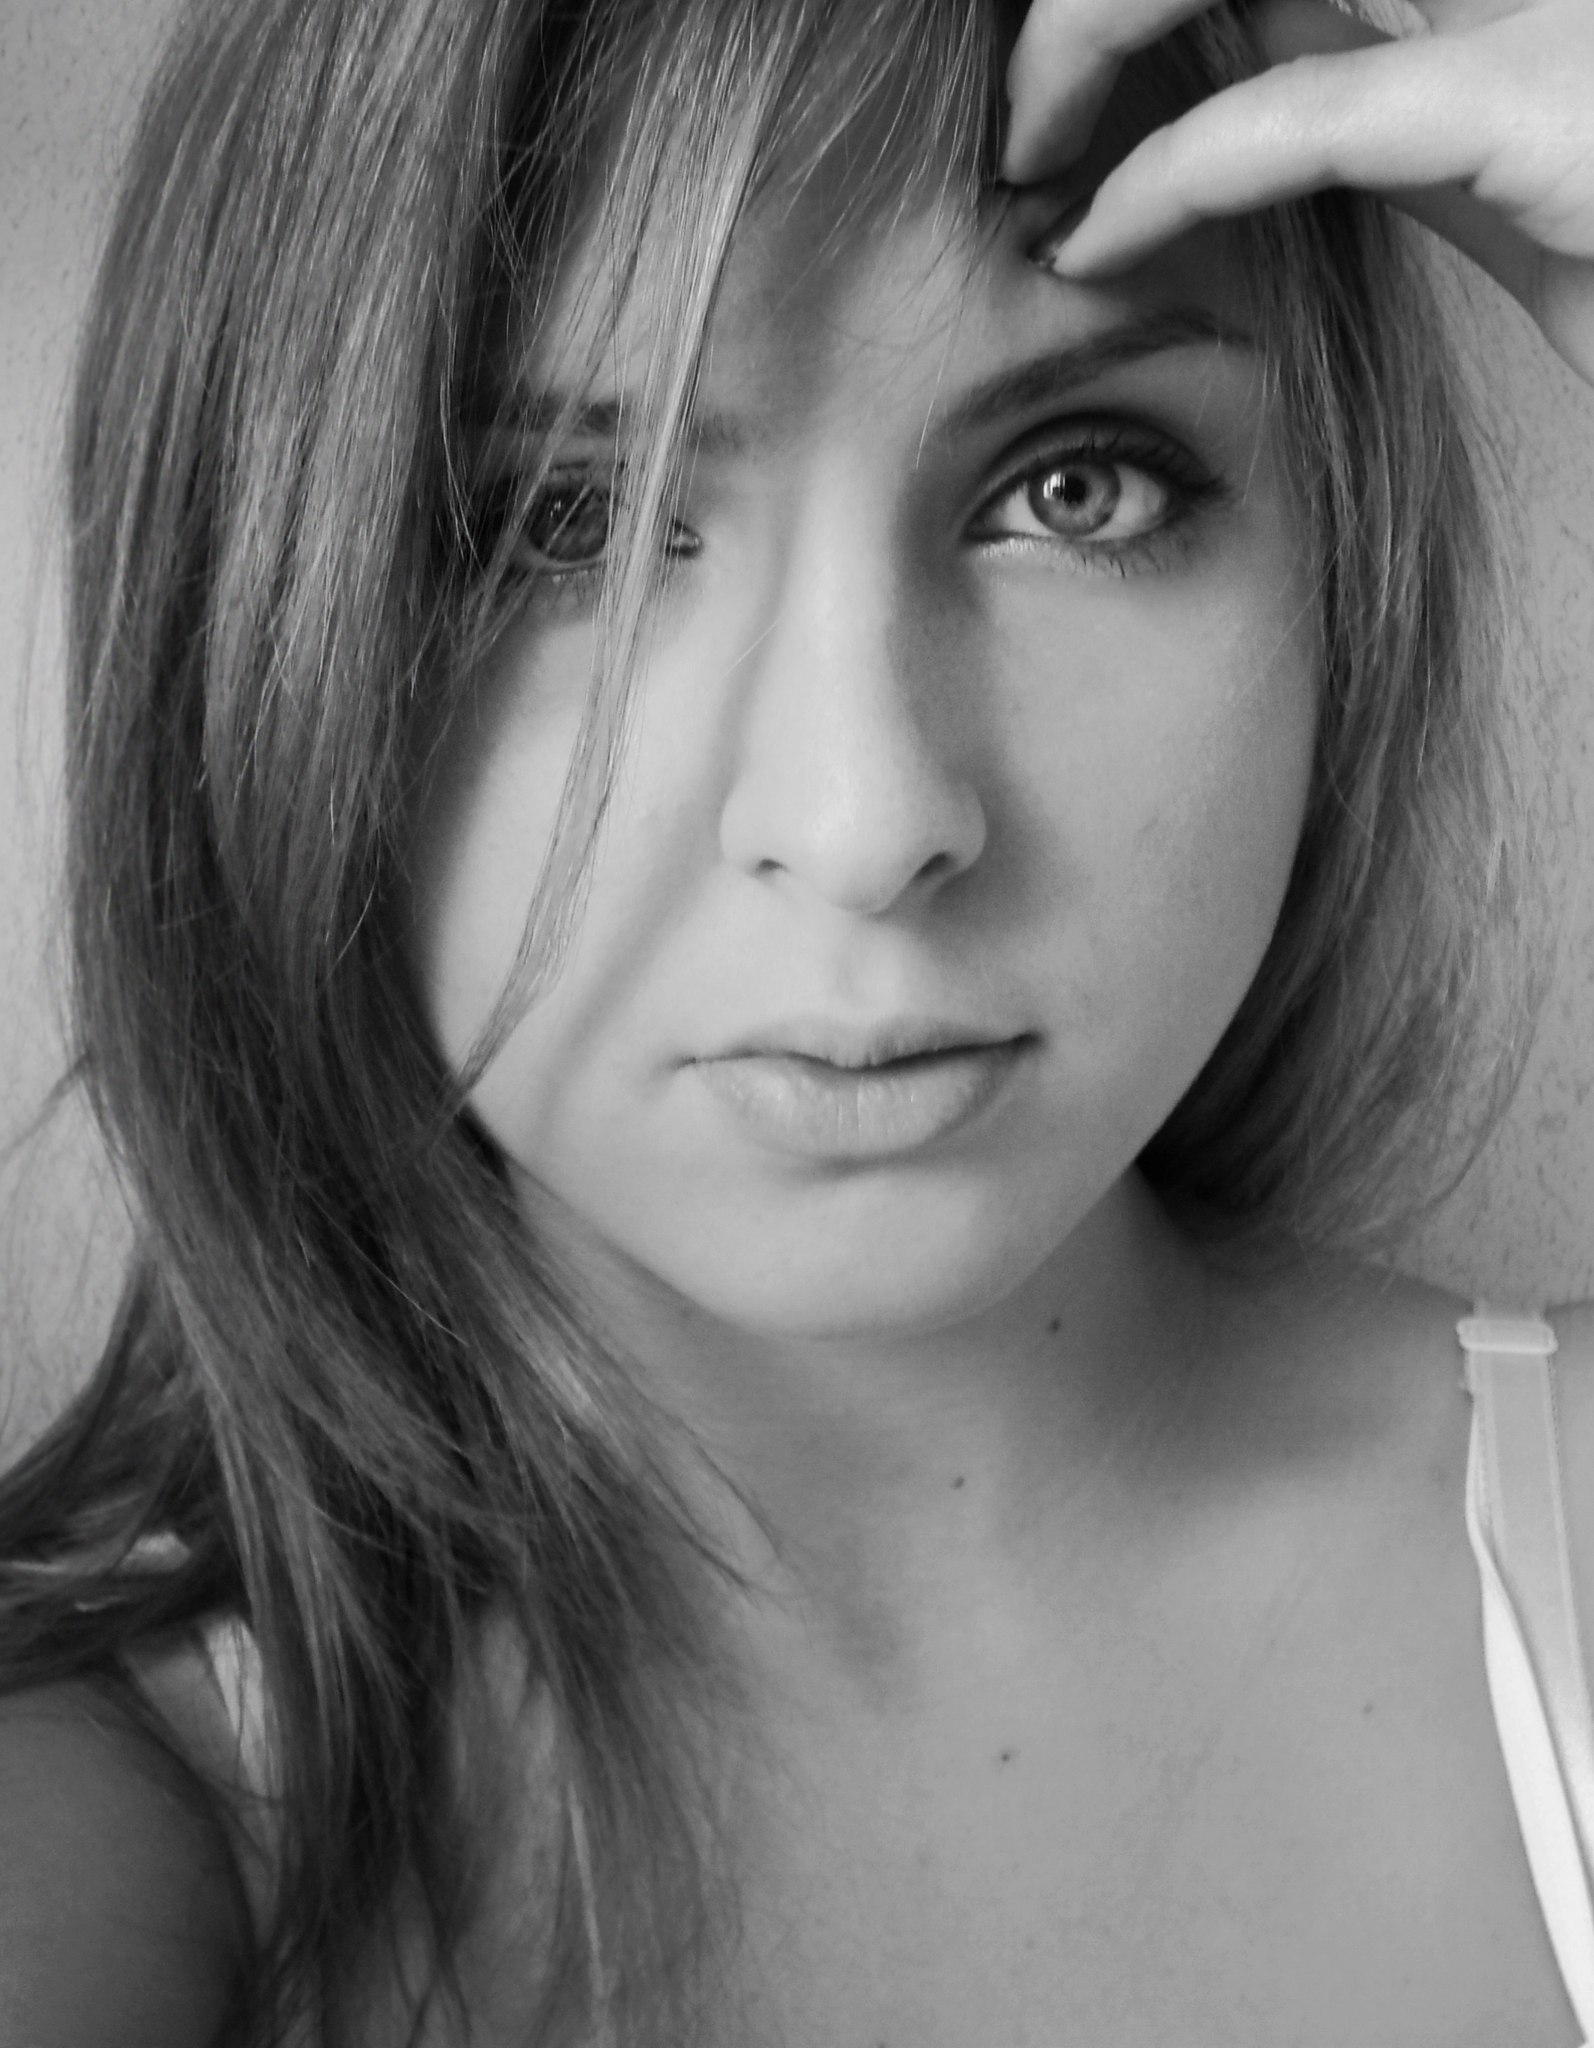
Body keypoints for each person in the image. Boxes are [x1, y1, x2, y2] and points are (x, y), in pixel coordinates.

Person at [0, 0, 1591, 2041]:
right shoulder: (113, 1812)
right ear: (250, 624)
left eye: (1077, 488)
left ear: (1339, 573)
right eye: (566, 522)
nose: (867, 820)